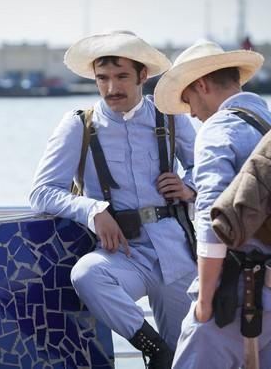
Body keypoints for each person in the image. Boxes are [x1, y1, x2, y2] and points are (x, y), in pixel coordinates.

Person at [30, 31, 198, 368]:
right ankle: (151, 346)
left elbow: (204, 169)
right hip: (124, 254)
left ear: (142, 75)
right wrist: (93, 210)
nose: (111, 88)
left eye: (121, 76)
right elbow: (42, 191)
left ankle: (166, 356)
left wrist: (188, 186)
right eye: (102, 78)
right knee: (87, 276)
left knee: (185, 360)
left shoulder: (169, 116)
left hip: (176, 251)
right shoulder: (79, 125)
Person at [154, 39, 271, 369]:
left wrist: (205, 299)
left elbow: (215, 218)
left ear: (202, 84)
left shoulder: (218, 129)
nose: (193, 114)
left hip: (235, 297)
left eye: (189, 102)